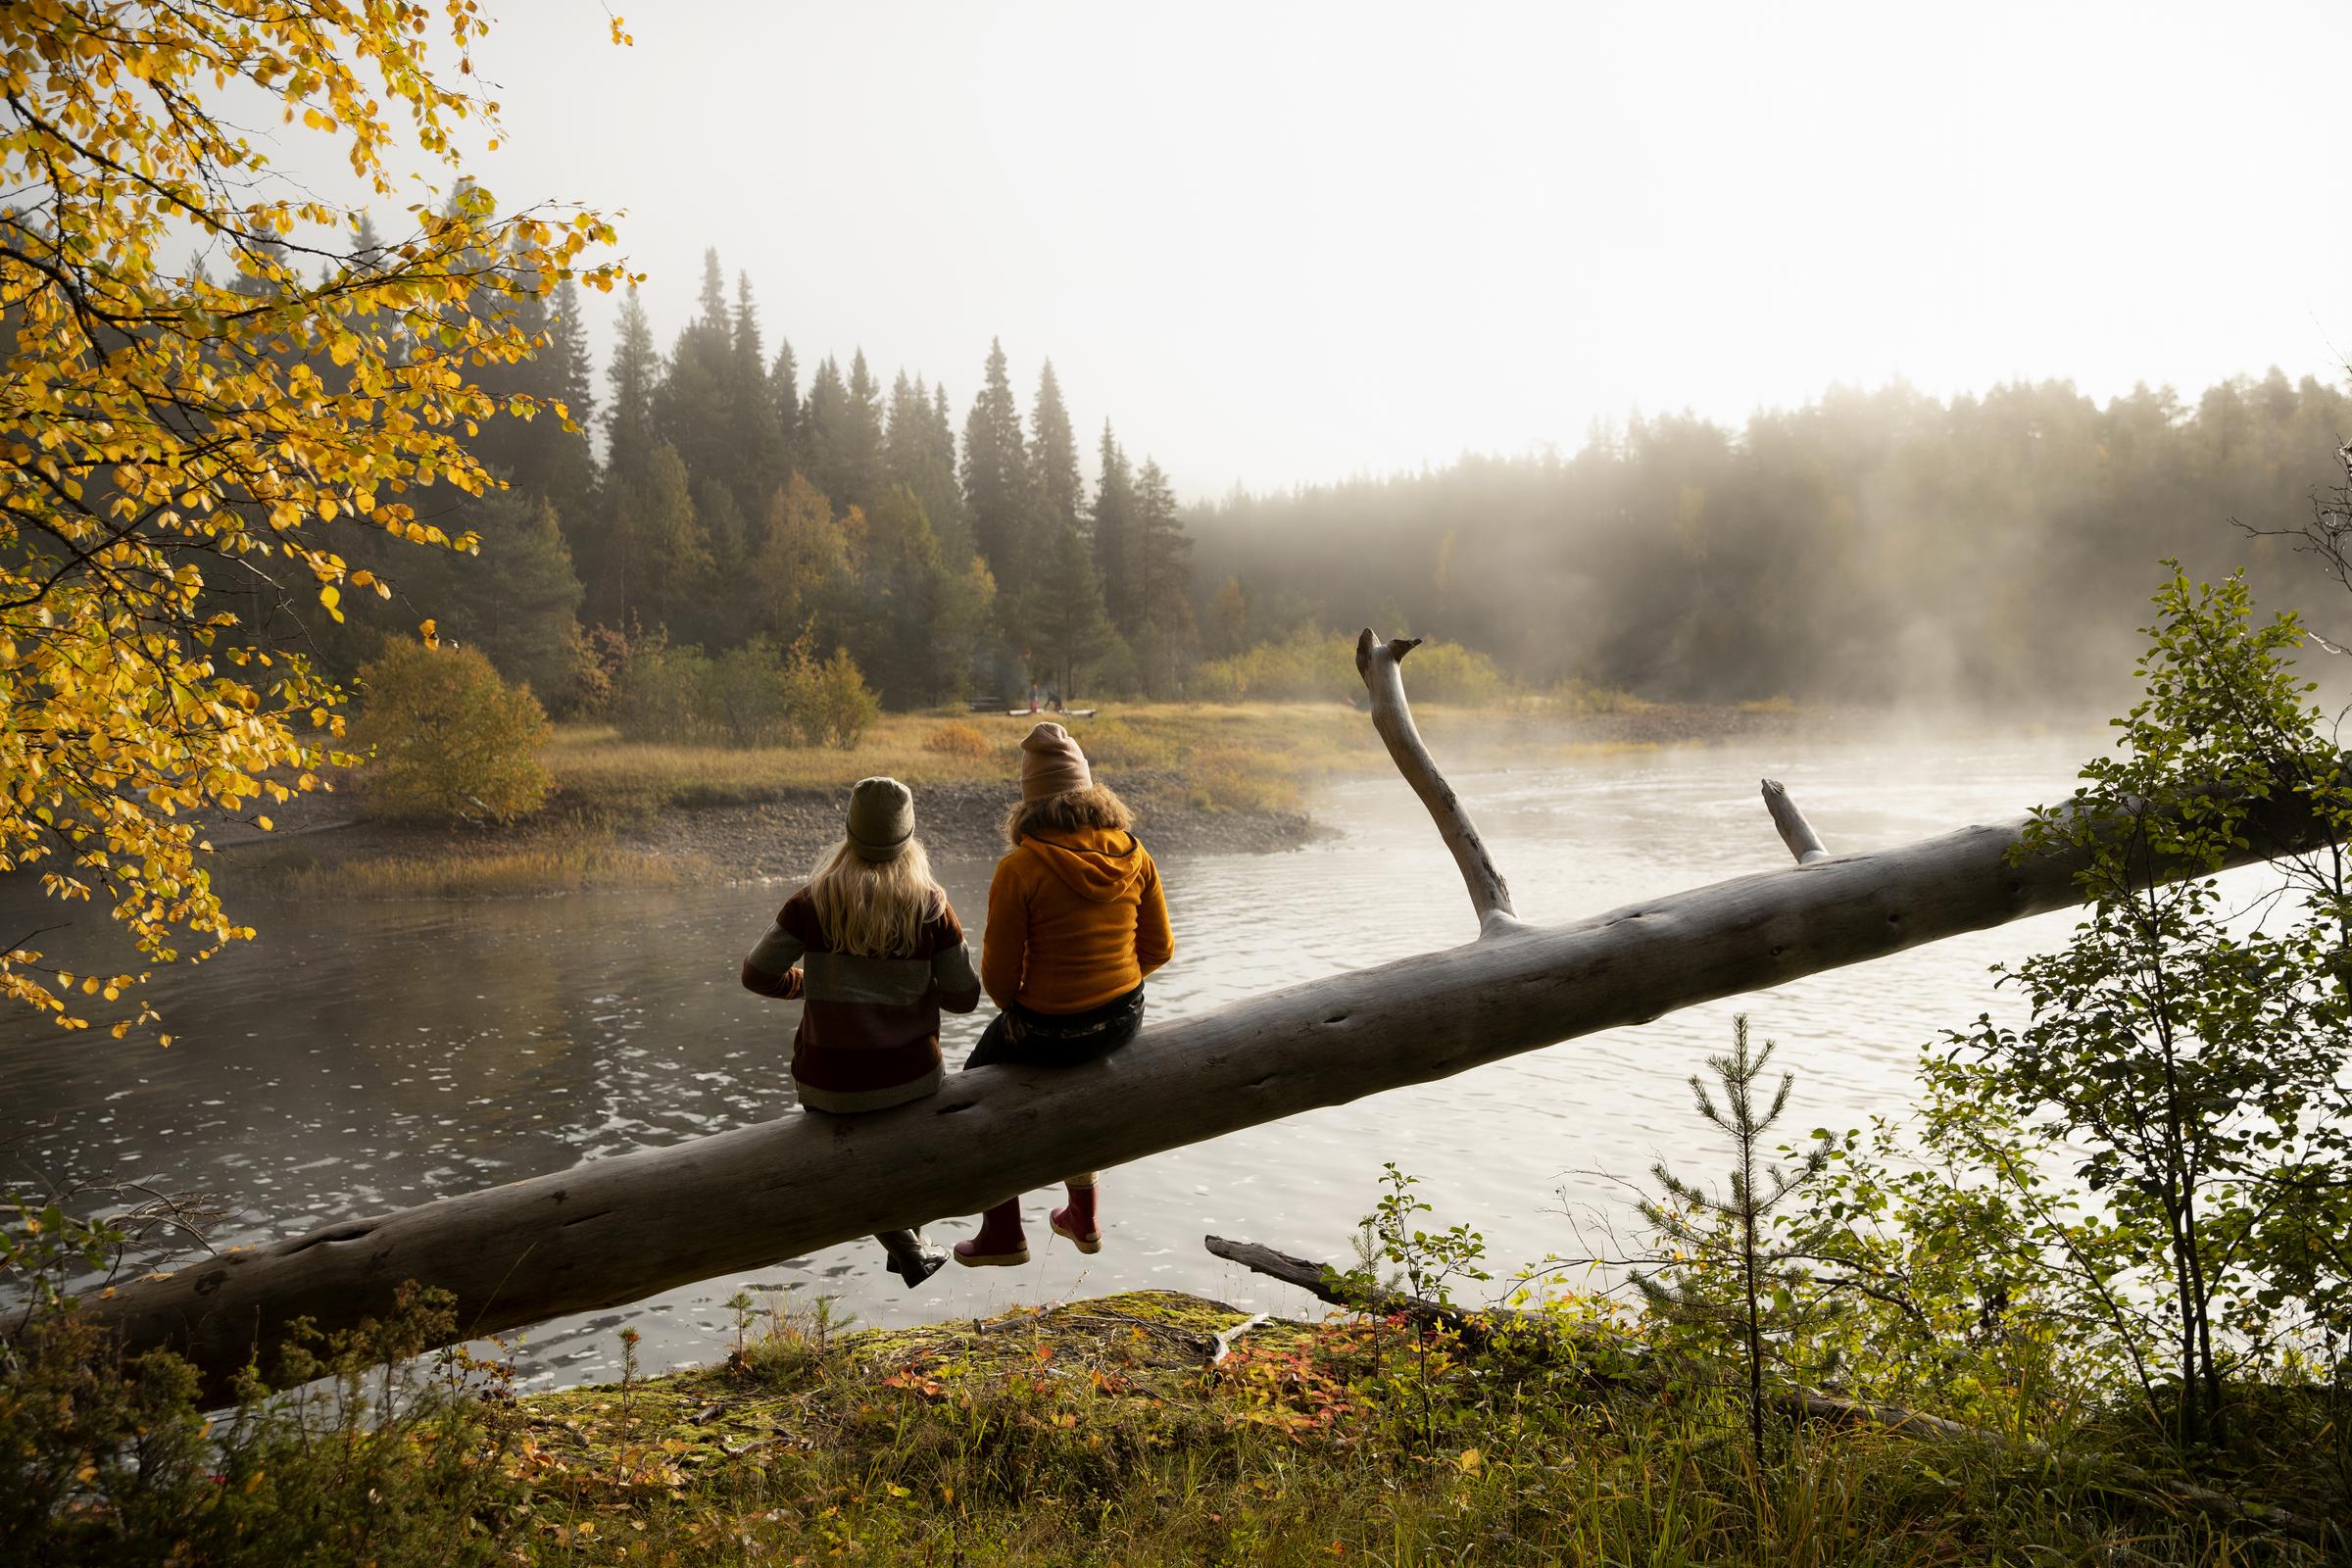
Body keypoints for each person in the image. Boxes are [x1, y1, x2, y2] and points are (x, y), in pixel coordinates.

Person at [741, 776, 981, 1288]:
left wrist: (812, 985)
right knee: (905, 1160)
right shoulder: (932, 907)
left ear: (849, 833)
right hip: (912, 1079)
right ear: (909, 838)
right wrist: (912, 989)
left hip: (829, 1084)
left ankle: (908, 1250)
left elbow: (756, 974)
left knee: (860, 1168)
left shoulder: (812, 901)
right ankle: (910, 1249)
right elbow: (965, 998)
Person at [956, 723, 1174, 1266]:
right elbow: (1160, 949)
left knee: (973, 1093)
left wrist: (1046, 1007)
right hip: (1123, 1017)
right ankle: (1084, 1216)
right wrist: (1108, 987)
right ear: (1090, 792)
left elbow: (999, 979)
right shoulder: (1135, 854)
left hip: (1048, 1026)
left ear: (1029, 801)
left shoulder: (1020, 868)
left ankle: (1003, 1233)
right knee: (1081, 1086)